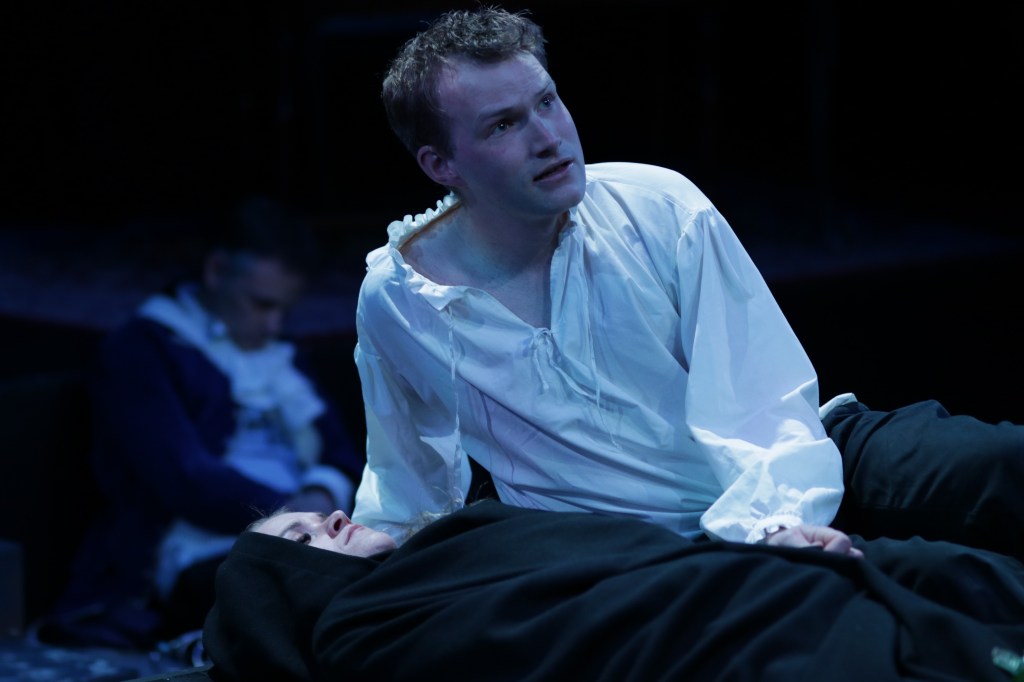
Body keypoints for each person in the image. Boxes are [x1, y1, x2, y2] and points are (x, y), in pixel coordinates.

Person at [350, 6, 1023, 561]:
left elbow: (761, 400)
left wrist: (772, 524)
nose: (550, 137)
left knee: (1001, 463)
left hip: (790, 464)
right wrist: (364, 552)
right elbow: (407, 478)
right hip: (639, 553)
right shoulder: (400, 300)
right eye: (504, 125)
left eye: (547, 102)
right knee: (941, 586)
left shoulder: (657, 205)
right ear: (440, 164)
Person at [205, 499, 1024, 681]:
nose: (330, 517)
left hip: (766, 582)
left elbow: (629, 562)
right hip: (753, 638)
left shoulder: (445, 548)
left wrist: (764, 550)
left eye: (313, 516)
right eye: (302, 541)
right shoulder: (366, 636)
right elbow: (585, 633)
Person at [38, 196, 365, 648]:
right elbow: (185, 478)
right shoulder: (144, 348)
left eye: (284, 311)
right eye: (261, 304)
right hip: (203, 546)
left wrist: (321, 496)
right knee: (316, 596)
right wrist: (292, 515)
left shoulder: (278, 352)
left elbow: (341, 452)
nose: (274, 325)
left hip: (309, 529)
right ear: (216, 271)